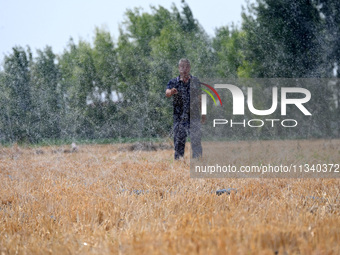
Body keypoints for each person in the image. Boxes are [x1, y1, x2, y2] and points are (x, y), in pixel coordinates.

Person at [166, 58, 203, 160]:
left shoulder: (195, 81)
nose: (184, 69)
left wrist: (203, 114)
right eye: (182, 66)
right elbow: (167, 93)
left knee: (196, 139)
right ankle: (179, 160)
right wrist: (171, 92)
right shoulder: (174, 82)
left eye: (186, 66)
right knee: (179, 140)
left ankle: (197, 160)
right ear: (179, 68)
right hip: (179, 116)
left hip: (194, 115)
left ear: (190, 68)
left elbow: (200, 98)